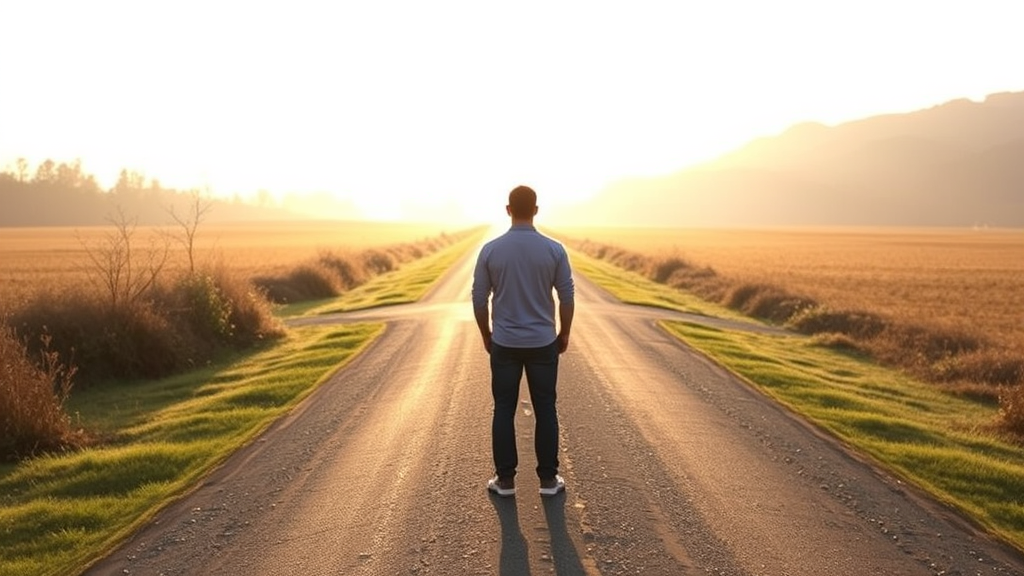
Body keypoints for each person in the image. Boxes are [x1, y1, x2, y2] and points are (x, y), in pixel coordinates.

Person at [472, 185, 575, 498]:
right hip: (543, 342)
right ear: (536, 210)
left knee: (503, 408)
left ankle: (505, 482)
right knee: (546, 408)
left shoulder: (490, 250)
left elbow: (479, 299)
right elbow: (567, 295)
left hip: (504, 342)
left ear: (507, 210)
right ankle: (547, 480)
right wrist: (564, 332)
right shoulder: (554, 249)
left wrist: (486, 335)